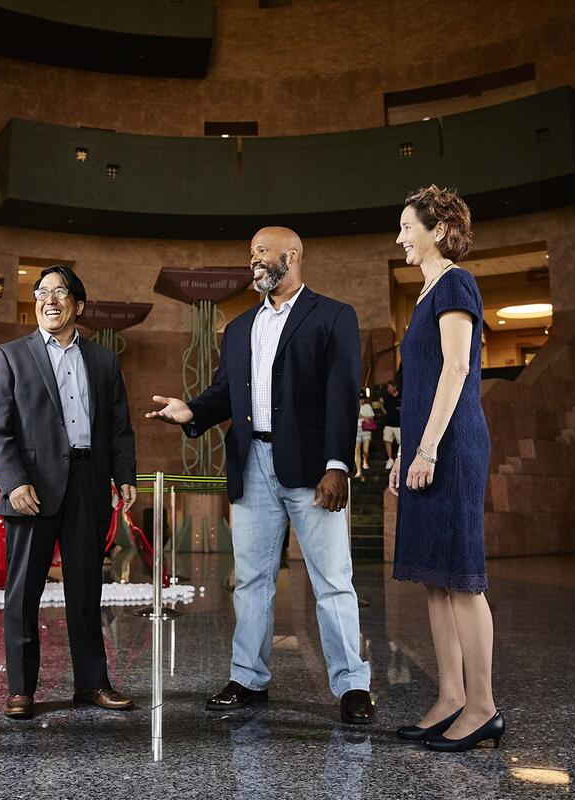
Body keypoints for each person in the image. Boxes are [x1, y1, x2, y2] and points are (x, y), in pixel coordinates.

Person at [147, 226, 374, 725]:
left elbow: (342, 395)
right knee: (250, 580)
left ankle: (352, 686)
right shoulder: (241, 327)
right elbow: (226, 393)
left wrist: (338, 464)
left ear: (291, 256)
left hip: (313, 470)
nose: (253, 261)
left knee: (333, 581)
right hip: (252, 465)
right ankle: (248, 679)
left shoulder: (334, 316)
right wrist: (193, 412)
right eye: (251, 253)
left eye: (262, 252)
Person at [0, 265, 139, 720]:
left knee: (87, 590)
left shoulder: (105, 361)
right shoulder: (10, 355)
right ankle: (21, 689)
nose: (48, 299)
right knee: (23, 592)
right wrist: (13, 482)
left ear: (79, 305)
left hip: (88, 486)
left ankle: (92, 683)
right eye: (41, 292)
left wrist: (123, 474)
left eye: (59, 292)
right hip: (31, 490)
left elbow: (119, 429)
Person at [389, 185, 503, 752]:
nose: (401, 237)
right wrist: (402, 454)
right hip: (427, 443)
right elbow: (418, 386)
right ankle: (451, 697)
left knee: (461, 579)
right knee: (436, 581)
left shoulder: (456, 283)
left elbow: (457, 370)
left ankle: (482, 707)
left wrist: (429, 448)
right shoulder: (424, 294)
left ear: (436, 230)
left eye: (407, 226)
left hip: (453, 445)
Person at [381, 381, 402, 468]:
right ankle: (390, 459)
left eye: (389, 387)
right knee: (387, 440)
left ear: (394, 387)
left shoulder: (401, 397)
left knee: (401, 442)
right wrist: (381, 405)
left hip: (399, 425)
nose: (388, 389)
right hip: (388, 424)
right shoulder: (387, 398)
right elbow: (385, 412)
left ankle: (400, 459)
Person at [355, 398, 375, 478]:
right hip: (356, 429)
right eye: (359, 399)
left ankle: (365, 460)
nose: (361, 400)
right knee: (357, 450)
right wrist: (364, 417)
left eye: (362, 399)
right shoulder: (354, 405)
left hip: (366, 429)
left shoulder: (367, 406)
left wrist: (362, 416)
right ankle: (358, 471)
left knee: (365, 451)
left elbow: (371, 417)